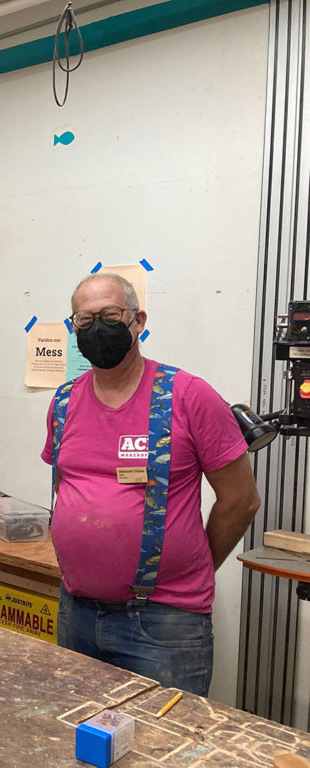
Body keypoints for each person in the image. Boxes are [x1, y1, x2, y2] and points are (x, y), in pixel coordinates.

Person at [41, 272, 260, 696]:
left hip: (163, 624)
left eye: (110, 315)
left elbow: (242, 500)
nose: (97, 328)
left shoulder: (189, 396)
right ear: (72, 328)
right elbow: (68, 487)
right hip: (76, 611)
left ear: (138, 320)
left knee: (163, 751)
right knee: (77, 742)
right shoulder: (63, 402)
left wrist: (188, 568)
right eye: (84, 321)